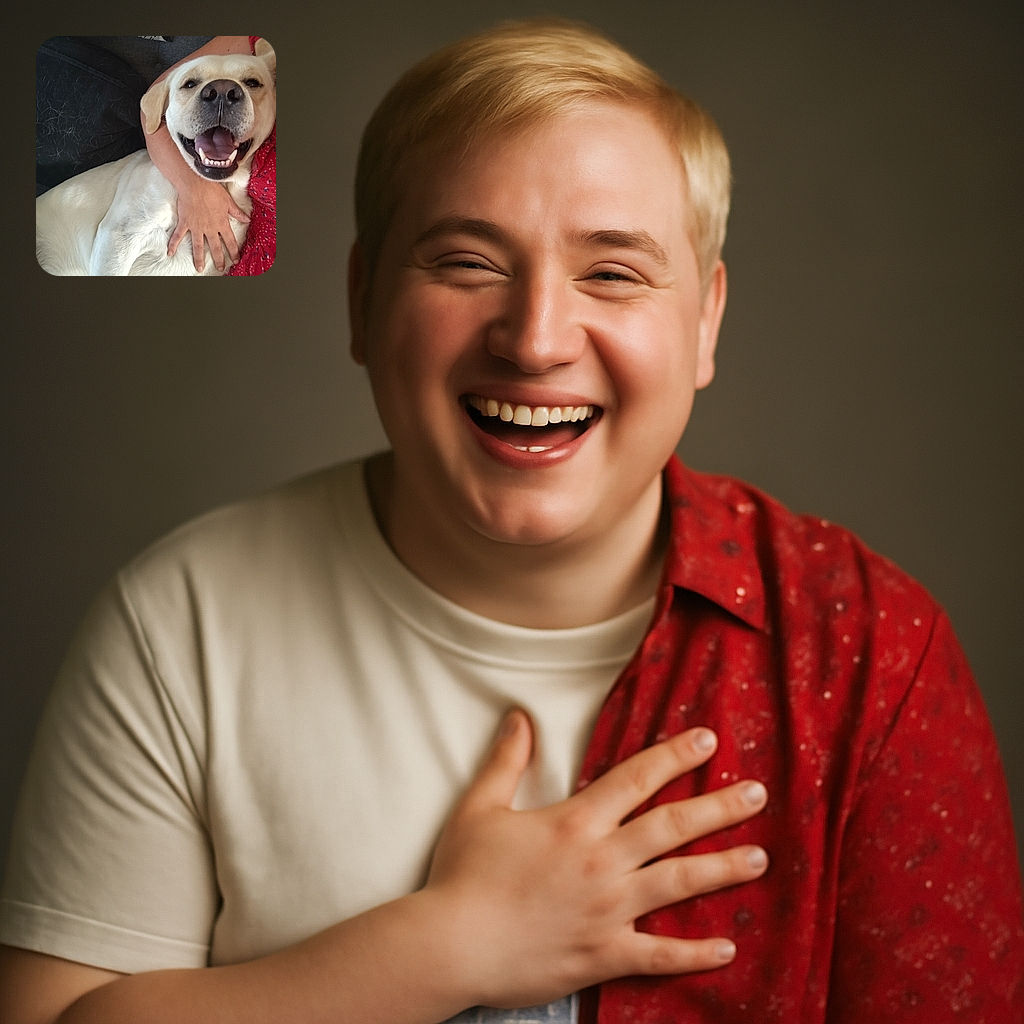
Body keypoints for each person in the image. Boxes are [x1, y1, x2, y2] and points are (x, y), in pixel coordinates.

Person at [3, 17, 1021, 1024]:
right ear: (361, 303)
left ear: (704, 323)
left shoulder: (871, 654)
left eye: (612, 271)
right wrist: (442, 950)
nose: (535, 340)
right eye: (464, 262)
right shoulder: (180, 623)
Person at [35, 35, 275, 275]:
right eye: (190, 84)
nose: (222, 93)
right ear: (161, 108)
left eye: (252, 82)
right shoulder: (155, 178)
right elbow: (116, 238)